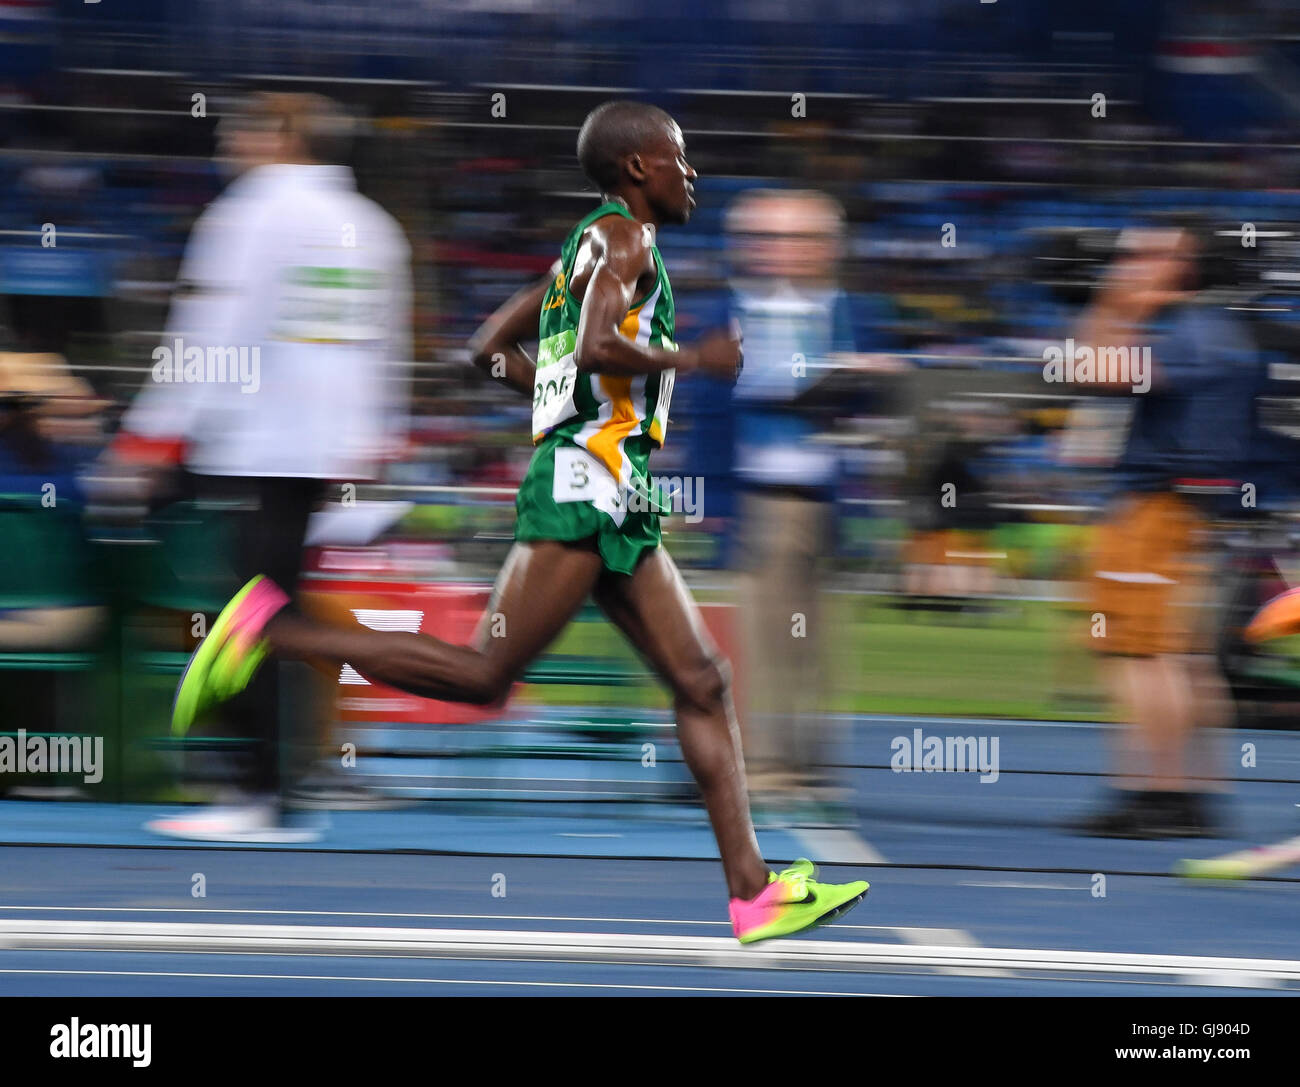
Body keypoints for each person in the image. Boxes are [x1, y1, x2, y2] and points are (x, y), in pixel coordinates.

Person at [170, 100, 869, 943]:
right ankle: (271, 631)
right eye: (679, 158)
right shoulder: (624, 242)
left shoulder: (583, 247)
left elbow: (487, 349)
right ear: (638, 168)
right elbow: (602, 344)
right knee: (483, 675)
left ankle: (753, 893)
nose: (693, 174)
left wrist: (569, 405)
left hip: (617, 489)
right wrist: (696, 359)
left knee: (705, 680)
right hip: (584, 489)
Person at [106, 92, 413, 842]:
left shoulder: (250, 213)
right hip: (317, 452)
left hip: (254, 444)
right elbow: (389, 344)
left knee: (247, 611)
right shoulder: (374, 228)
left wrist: (149, 438)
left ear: (281, 137)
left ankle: (255, 786)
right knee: (266, 608)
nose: (226, 142)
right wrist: (380, 436)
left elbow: (212, 329)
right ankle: (279, 771)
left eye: (237, 129)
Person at [1070, 224, 1252, 838]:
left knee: (1142, 654)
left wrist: (1111, 302)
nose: (1132, 266)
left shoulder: (1187, 333)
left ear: (1184, 267)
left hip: (1155, 508)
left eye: (1148, 256)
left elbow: (1089, 369)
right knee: (1185, 658)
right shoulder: (1217, 329)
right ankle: (1195, 795)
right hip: (1190, 506)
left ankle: (1159, 793)